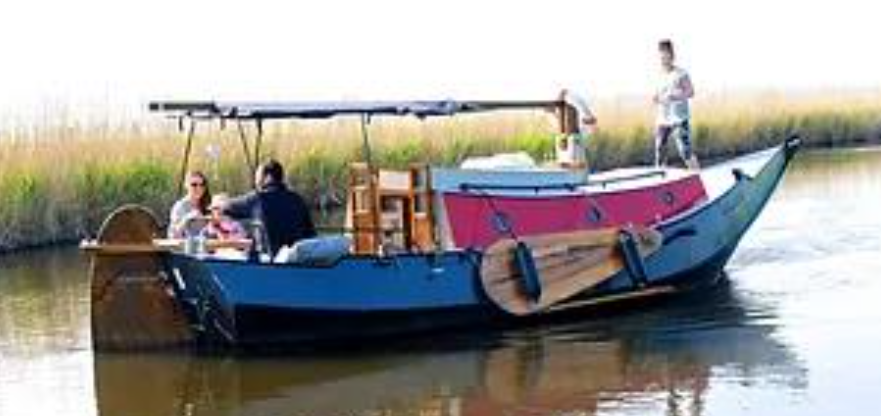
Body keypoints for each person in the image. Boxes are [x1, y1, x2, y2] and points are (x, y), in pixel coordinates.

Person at [222, 159, 317, 255]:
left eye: (257, 176)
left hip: (269, 261)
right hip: (297, 262)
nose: (255, 180)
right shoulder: (298, 200)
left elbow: (226, 208)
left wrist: (219, 202)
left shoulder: (258, 199)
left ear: (268, 177)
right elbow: (311, 235)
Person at [653, 39, 700, 169]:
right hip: (662, 119)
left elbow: (691, 92)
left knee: (685, 151)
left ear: (672, 56)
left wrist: (676, 96)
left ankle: (697, 177)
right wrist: (656, 98)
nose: (663, 59)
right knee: (659, 151)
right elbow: (657, 96)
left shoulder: (680, 73)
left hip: (679, 119)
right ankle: (659, 182)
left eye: (666, 55)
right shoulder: (658, 75)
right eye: (661, 56)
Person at [556, 89, 598, 169]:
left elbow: (591, 121)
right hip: (571, 167)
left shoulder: (580, 135)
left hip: (577, 172)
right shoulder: (564, 136)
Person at [168, 171, 211, 238]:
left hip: (208, 245)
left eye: (202, 184)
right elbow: (173, 235)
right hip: (187, 246)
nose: (198, 188)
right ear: (186, 185)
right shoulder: (180, 206)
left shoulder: (208, 204)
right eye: (194, 185)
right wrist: (186, 219)